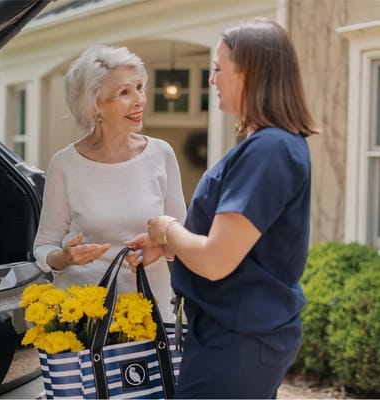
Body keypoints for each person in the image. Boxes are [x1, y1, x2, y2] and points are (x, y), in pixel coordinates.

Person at [126, 17, 318, 399]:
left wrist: (167, 229)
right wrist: (169, 249)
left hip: (239, 342)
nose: (212, 80)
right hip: (237, 334)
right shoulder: (273, 145)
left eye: (217, 69)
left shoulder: (269, 150)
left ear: (248, 72)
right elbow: (244, 250)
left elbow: (216, 260)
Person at [33, 44, 187, 322]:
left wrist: (163, 247)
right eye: (124, 93)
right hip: (85, 321)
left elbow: (182, 239)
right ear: (94, 106)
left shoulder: (160, 154)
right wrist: (65, 258)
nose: (139, 99)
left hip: (150, 315)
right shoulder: (65, 164)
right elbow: (44, 247)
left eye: (140, 87)